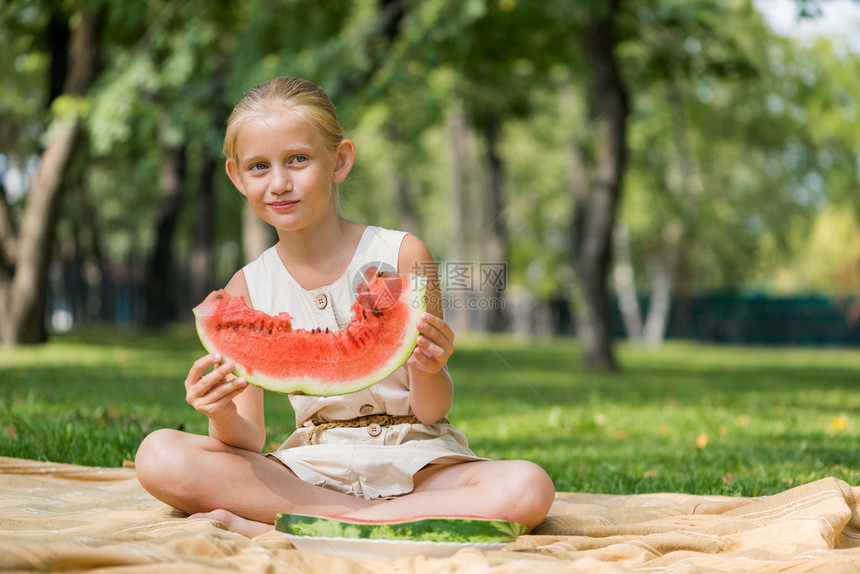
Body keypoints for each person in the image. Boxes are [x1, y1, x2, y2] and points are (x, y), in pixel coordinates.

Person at [134, 77, 555, 538]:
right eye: (258, 167)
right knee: (158, 454)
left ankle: (295, 526)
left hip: (418, 460)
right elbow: (250, 439)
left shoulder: (401, 256)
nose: (279, 183)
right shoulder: (245, 289)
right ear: (236, 177)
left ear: (339, 160)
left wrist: (433, 367)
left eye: (298, 159)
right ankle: (367, 523)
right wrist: (219, 413)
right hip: (309, 467)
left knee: (528, 487)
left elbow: (431, 411)